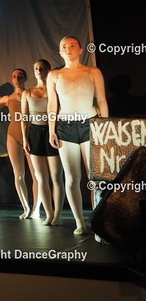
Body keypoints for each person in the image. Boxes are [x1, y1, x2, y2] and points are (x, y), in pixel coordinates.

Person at [48, 36, 108, 235]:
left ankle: (98, 222)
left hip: (90, 124)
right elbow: (52, 104)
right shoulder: (54, 75)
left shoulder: (92, 71)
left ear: (81, 49)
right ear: (60, 51)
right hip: (65, 126)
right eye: (64, 46)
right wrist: (51, 130)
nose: (68, 49)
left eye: (72, 45)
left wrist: (105, 126)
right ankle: (80, 222)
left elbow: (101, 100)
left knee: (95, 177)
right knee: (72, 177)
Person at [0, 68, 39, 219]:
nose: (17, 78)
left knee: (36, 175)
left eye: (20, 76)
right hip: (13, 135)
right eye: (14, 76)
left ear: (25, 78)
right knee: (19, 174)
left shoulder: (31, 94)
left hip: (30, 135)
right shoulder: (7, 98)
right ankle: (26, 208)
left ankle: (36, 209)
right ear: (11, 79)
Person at [21, 60, 64, 226]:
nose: (39, 70)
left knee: (56, 177)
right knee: (40, 177)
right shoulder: (27, 92)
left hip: (53, 133)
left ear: (49, 70)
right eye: (36, 68)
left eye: (42, 68)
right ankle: (48, 213)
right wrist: (25, 139)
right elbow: (24, 118)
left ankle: (57, 214)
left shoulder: (56, 91)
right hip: (35, 134)